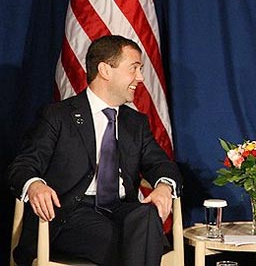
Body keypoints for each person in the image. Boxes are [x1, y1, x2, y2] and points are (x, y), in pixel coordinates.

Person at [9, 35, 182, 266]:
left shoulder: (135, 123)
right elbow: (23, 165)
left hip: (121, 210)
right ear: (105, 70)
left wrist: (164, 186)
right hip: (71, 214)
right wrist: (35, 185)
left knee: (147, 215)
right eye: (134, 68)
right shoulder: (58, 116)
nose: (140, 78)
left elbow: (162, 164)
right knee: (134, 243)